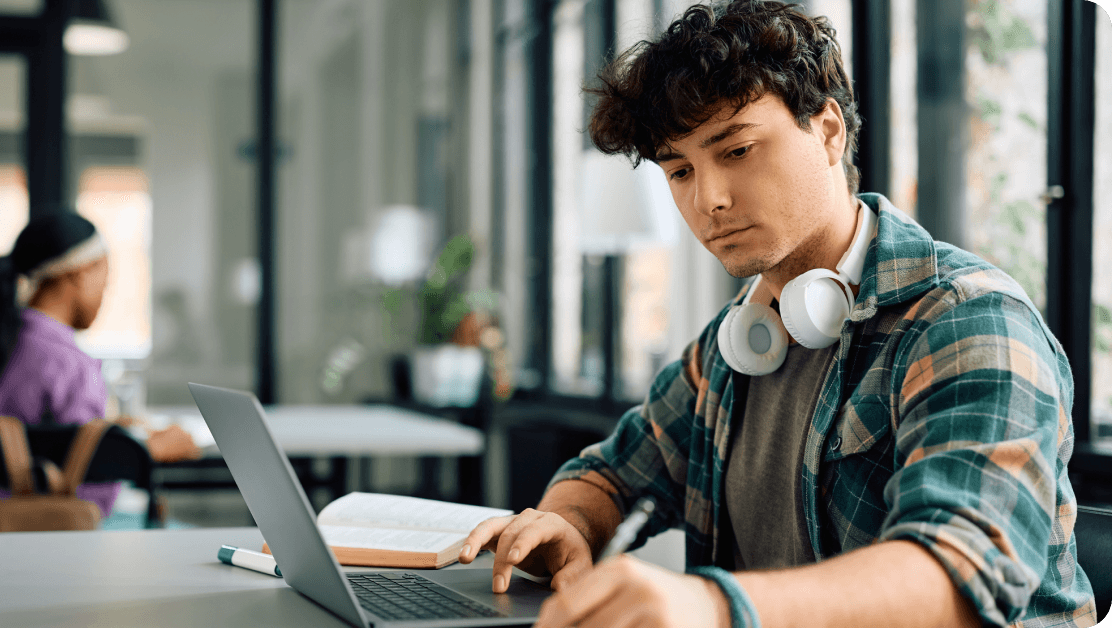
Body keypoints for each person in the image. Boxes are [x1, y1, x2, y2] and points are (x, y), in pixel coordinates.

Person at [460, 2, 1097, 627]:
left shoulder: (969, 321)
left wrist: (713, 607)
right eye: (679, 169)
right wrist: (567, 523)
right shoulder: (734, 344)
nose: (707, 199)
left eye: (735, 151)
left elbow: (960, 582)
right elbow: (609, 471)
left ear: (827, 131)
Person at [0, 212, 198, 534]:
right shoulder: (71, 366)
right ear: (80, 274)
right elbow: (92, 497)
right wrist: (145, 452)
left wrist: (109, 434)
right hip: (39, 540)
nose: (106, 294)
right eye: (105, 279)